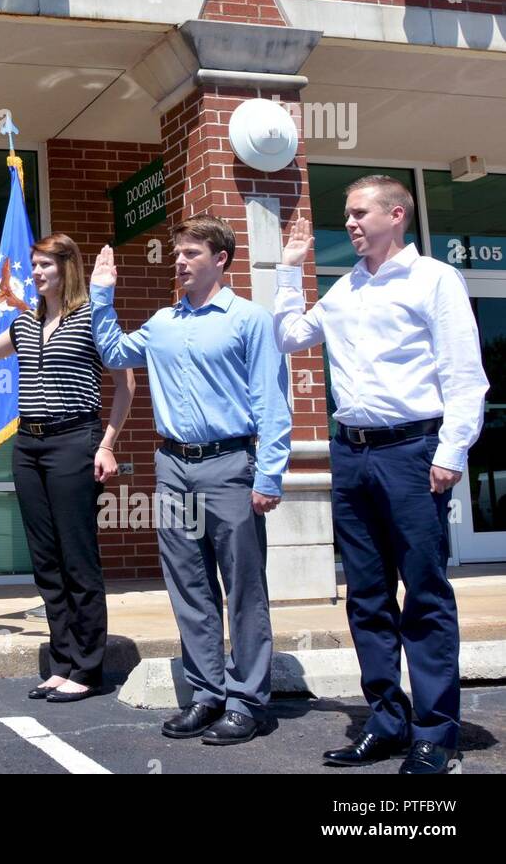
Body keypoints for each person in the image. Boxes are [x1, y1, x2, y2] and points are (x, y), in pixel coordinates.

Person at [274, 175, 488, 774]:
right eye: (346, 214)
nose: (349, 222)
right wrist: (289, 271)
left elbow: (465, 375)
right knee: (366, 597)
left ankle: (435, 734)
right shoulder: (344, 289)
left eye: (359, 212)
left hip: (412, 453)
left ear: (397, 214)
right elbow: (288, 336)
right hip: (353, 456)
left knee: (423, 595)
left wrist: (451, 452)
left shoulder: (435, 280)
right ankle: (387, 722)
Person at [90, 214, 291, 746]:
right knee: (189, 585)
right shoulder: (162, 323)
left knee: (244, 588)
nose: (179, 262)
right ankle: (206, 694)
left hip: (230, 465)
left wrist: (269, 474)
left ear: (220, 260)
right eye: (177, 254)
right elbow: (112, 353)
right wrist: (101, 298)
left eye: (191, 254)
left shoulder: (251, 319)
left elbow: (272, 404)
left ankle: (247, 701)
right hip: (172, 465)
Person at [0, 234, 135, 702]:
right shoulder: (26, 321)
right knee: (46, 562)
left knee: (77, 558)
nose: (37, 273)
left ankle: (87, 668)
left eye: (45, 264)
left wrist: (107, 444)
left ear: (68, 267)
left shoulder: (90, 317)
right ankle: (61, 662)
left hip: (75, 441)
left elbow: (125, 386)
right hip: (29, 446)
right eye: (34, 265)